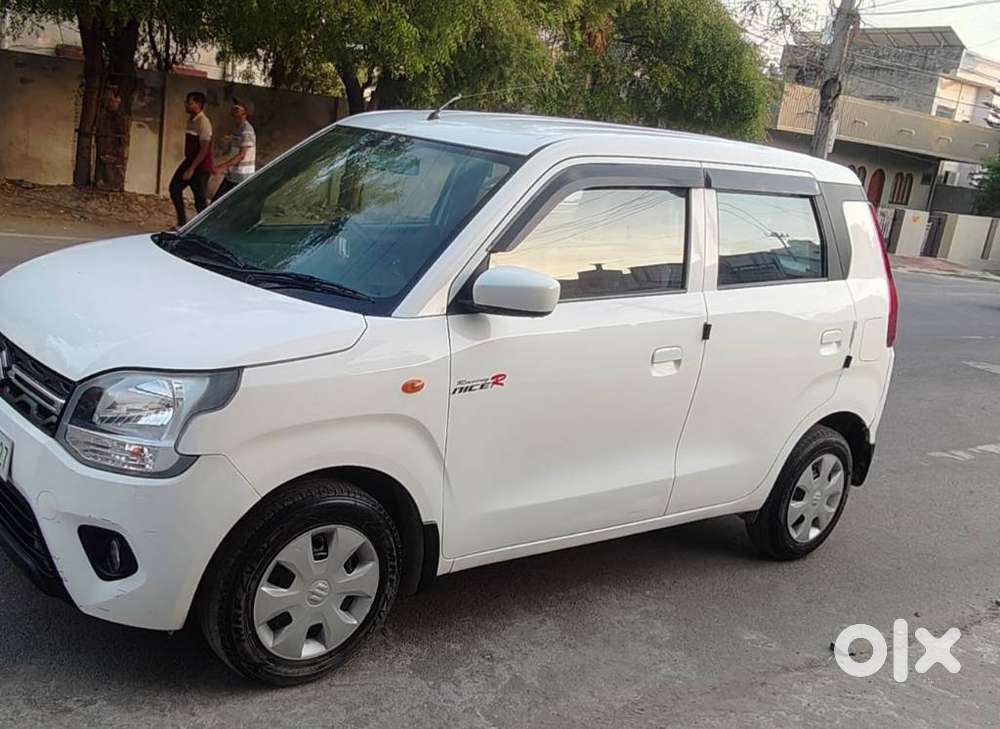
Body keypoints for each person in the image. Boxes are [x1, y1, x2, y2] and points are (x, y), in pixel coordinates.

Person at [169, 91, 214, 227]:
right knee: (174, 188)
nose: (186, 105)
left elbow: (204, 149)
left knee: (199, 199)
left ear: (198, 105)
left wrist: (191, 169)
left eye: (189, 103)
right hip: (190, 161)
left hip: (201, 165)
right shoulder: (191, 120)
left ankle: (204, 227)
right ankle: (182, 223)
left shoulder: (203, 122)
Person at [213, 97, 257, 202]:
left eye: (238, 108)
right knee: (218, 203)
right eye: (234, 107)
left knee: (219, 204)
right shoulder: (238, 128)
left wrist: (222, 167)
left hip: (241, 177)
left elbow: (241, 155)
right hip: (233, 175)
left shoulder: (247, 130)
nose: (234, 109)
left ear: (245, 112)